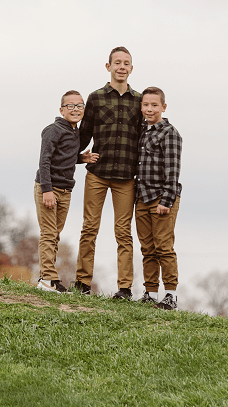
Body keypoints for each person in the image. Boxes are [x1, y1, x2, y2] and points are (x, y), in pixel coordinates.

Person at [73, 46, 142, 299]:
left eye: (126, 63)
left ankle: (124, 288)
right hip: (98, 174)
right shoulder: (96, 97)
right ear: (108, 67)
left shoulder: (139, 100)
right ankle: (82, 283)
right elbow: (84, 134)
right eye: (117, 63)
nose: (122, 67)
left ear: (131, 69)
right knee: (89, 228)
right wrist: (76, 157)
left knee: (123, 232)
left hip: (126, 177)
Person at [34, 90, 98, 293]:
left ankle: (50, 278)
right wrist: (47, 190)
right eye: (70, 106)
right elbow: (45, 160)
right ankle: (47, 279)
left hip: (66, 190)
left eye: (79, 106)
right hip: (49, 188)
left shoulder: (74, 132)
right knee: (48, 233)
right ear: (61, 110)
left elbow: (64, 156)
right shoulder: (53, 130)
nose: (75, 109)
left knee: (55, 235)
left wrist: (81, 158)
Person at [134, 86, 182, 310]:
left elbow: (172, 171)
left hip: (161, 197)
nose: (149, 109)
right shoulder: (143, 131)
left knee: (164, 246)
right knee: (148, 248)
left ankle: (170, 295)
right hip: (142, 197)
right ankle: (150, 293)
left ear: (163, 107)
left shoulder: (169, 133)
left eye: (154, 105)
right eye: (145, 105)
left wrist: (166, 200)